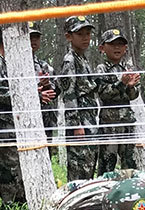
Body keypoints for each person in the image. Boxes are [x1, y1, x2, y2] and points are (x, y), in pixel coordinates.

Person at [0, 25, 28, 210]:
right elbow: (0, 92)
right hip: (4, 120)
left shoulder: (15, 60)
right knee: (8, 164)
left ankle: (21, 201)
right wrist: (28, 94)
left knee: (19, 162)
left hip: (18, 120)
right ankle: (8, 205)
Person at [95, 28, 141, 176]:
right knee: (107, 162)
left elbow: (134, 95)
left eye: (121, 44)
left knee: (129, 162)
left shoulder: (128, 68)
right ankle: (104, 193)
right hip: (109, 123)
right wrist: (121, 83)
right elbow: (103, 93)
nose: (117, 47)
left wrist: (130, 86)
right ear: (103, 48)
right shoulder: (101, 69)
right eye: (113, 44)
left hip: (127, 121)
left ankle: (129, 192)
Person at [59, 16, 99, 181]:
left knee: (89, 164)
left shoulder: (82, 59)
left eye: (88, 33)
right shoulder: (70, 60)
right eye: (80, 34)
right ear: (69, 37)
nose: (85, 38)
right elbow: (69, 94)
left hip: (89, 118)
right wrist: (76, 125)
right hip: (80, 121)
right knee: (79, 168)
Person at [29, 22, 59, 148]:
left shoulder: (43, 66)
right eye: (30, 37)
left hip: (45, 120)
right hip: (25, 120)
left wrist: (46, 86)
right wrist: (37, 88)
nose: (34, 40)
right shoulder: (12, 64)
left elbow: (57, 90)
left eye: (37, 37)